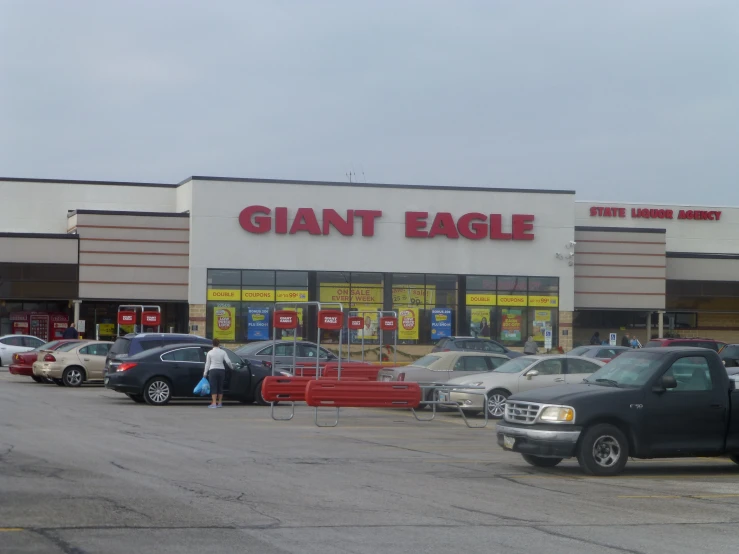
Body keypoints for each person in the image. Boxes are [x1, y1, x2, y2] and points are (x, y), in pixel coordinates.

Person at [204, 338, 233, 408]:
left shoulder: (210, 353)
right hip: (221, 370)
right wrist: (232, 367)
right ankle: (219, 403)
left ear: (212, 344)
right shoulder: (223, 352)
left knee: (213, 386)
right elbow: (228, 361)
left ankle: (214, 403)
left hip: (213, 370)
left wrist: (205, 373)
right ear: (219, 344)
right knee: (220, 386)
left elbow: (207, 364)